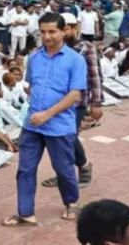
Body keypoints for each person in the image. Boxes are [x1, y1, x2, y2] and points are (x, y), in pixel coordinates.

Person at [2, 13, 87, 227]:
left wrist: (47, 114)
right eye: (43, 32)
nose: (47, 36)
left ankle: (71, 201)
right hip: (32, 124)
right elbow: (30, 85)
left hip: (58, 125)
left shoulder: (75, 60)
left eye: (52, 31)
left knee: (63, 168)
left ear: (63, 31)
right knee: (25, 169)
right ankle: (25, 212)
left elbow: (75, 94)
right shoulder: (35, 57)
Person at [40, 12, 102, 189]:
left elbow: (95, 75)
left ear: (75, 28)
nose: (62, 34)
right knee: (58, 140)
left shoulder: (86, 47)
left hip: (77, 102)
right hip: (54, 103)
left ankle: (82, 167)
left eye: (65, 29)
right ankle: (64, 174)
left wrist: (96, 103)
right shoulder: (53, 48)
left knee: (68, 137)